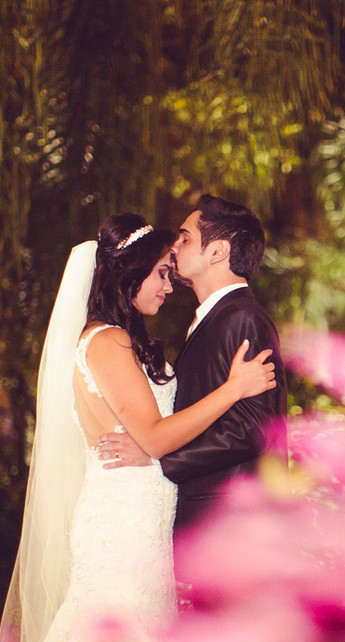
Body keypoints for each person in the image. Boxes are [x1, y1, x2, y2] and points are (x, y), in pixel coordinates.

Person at [0, 212, 276, 642]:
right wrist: (234, 389)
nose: (168, 286)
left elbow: (153, 436)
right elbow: (152, 436)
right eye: (160, 274)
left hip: (146, 522)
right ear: (131, 277)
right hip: (122, 527)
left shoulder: (131, 341)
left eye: (172, 271)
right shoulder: (105, 342)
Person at [101, 195, 287, 537]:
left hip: (233, 526)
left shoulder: (241, 318)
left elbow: (251, 431)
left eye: (185, 238)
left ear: (217, 253)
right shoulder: (217, 318)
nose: (175, 245)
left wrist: (158, 459)